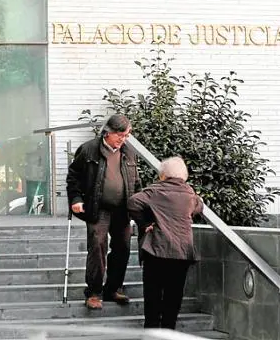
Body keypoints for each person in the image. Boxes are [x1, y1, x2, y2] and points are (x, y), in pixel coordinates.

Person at [66, 113, 140, 310]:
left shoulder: (128, 152)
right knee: (97, 247)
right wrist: (76, 199)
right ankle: (94, 292)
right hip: (98, 208)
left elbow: (136, 182)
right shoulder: (89, 149)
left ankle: (113, 288)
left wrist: (139, 206)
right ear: (108, 133)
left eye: (126, 136)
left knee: (123, 248)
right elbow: (73, 177)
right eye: (120, 135)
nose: (123, 140)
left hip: (122, 209)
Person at [127, 156, 203, 330]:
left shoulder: (154, 191)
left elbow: (132, 202)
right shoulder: (190, 194)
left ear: (163, 175)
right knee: (174, 294)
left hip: (157, 249)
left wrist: (145, 223)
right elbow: (198, 207)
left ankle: (152, 330)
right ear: (183, 175)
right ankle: (169, 330)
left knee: (153, 292)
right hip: (182, 251)